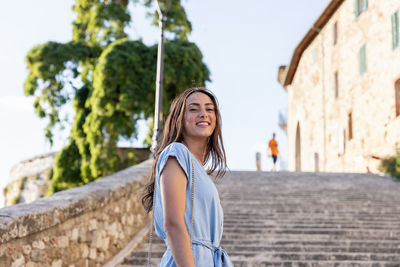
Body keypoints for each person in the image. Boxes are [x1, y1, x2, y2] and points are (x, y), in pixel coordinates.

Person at [142, 87, 233, 267]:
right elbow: (174, 224)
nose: (203, 114)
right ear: (179, 119)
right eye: (193, 109)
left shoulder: (199, 170)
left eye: (209, 109)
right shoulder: (177, 153)